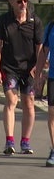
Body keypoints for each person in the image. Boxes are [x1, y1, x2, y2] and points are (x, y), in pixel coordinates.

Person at [0, 0, 43, 155]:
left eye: (25, 0)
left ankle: (25, 141)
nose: (23, 4)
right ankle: (9, 141)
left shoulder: (34, 21)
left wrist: (38, 67)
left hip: (29, 69)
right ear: (11, 2)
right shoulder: (3, 21)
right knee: (11, 101)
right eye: (19, 1)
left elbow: (39, 47)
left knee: (29, 104)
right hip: (9, 67)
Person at [35, 21, 54, 166]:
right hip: (53, 76)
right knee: (52, 114)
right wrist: (38, 75)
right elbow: (44, 52)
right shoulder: (51, 26)